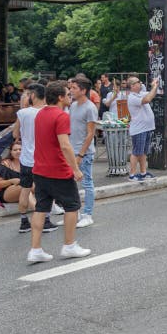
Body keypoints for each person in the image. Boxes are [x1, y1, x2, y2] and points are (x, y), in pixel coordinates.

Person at [27, 80, 91, 263]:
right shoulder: (61, 116)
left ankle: (35, 249)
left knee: (41, 207)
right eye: (68, 94)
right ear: (61, 97)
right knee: (72, 206)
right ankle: (69, 245)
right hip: (58, 170)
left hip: (40, 169)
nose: (70, 97)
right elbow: (65, 145)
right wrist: (75, 169)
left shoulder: (40, 114)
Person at [13, 83, 58, 233]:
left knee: (25, 190)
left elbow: (15, 134)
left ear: (32, 95)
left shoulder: (22, 113)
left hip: (26, 158)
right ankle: (44, 221)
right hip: (42, 158)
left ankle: (23, 221)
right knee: (43, 191)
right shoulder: (48, 112)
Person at [69, 77, 97, 228]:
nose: (71, 90)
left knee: (87, 183)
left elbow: (90, 133)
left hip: (83, 153)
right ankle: (75, 213)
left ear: (83, 90)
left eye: (74, 88)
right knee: (70, 184)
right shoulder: (73, 105)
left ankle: (88, 214)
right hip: (71, 150)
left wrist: (81, 154)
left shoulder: (90, 107)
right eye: (71, 87)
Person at [126, 76, 159, 181]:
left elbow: (152, 94)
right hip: (139, 129)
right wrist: (154, 87)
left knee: (143, 152)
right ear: (132, 86)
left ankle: (143, 173)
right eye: (138, 82)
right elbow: (147, 99)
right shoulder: (132, 97)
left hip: (146, 128)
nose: (140, 83)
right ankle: (132, 175)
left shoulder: (139, 93)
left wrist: (155, 86)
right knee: (136, 152)